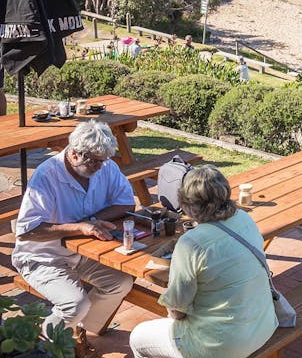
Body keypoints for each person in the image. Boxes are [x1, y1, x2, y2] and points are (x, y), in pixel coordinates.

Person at [12, 121, 136, 357]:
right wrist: (80, 226)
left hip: (81, 253)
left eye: (104, 160)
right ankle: (44, 341)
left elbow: (126, 202)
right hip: (42, 256)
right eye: (94, 161)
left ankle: (79, 330)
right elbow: (28, 230)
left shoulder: (105, 165)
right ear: (75, 153)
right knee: (75, 305)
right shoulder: (47, 175)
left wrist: (92, 221)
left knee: (121, 283)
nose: (100, 167)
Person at [130, 165, 277, 358]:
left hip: (220, 344)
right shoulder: (243, 218)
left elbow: (176, 309)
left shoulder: (191, 243)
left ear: (187, 204)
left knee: (137, 338)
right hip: (262, 327)